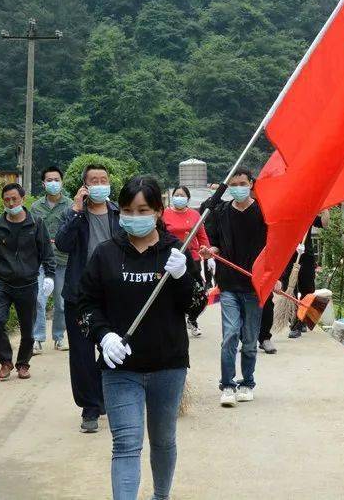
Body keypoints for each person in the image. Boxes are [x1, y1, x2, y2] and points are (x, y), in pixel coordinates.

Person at [75, 175, 194, 500]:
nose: (134, 217)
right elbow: (85, 304)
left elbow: (194, 305)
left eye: (143, 210)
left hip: (167, 366)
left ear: (158, 211)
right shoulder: (106, 254)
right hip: (120, 369)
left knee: (163, 440)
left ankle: (161, 496)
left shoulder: (175, 254)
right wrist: (103, 335)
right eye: (128, 210)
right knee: (126, 444)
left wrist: (184, 277)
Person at [55, 163, 119, 433]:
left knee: (112, 348)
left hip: (114, 293)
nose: (99, 183)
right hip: (80, 294)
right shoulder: (75, 215)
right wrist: (76, 211)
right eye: (93, 180)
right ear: (84, 186)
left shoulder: (119, 213)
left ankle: (109, 399)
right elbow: (62, 244)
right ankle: (90, 408)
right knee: (81, 353)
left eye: (103, 179)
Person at [201, 168, 268, 407]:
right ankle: (227, 385)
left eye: (242, 183)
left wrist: (275, 275)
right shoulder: (221, 212)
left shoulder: (263, 212)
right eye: (234, 184)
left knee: (250, 339)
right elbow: (216, 243)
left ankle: (247, 383)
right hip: (228, 283)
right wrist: (211, 251)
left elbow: (272, 248)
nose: (238, 187)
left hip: (254, 286)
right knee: (230, 335)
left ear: (251, 184)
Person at [0, 183, 55, 380]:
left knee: (28, 329)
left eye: (14, 199)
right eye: (6, 199)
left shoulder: (36, 224)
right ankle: (5, 361)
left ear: (22, 199)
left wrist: (49, 276)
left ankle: (23, 364)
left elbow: (47, 252)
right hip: (2, 282)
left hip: (28, 283)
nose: (11, 203)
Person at [29, 166, 73, 353]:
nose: (53, 183)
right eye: (49, 180)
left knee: (61, 302)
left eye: (56, 179)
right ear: (43, 183)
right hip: (40, 260)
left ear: (61, 182)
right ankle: (37, 338)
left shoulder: (71, 205)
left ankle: (59, 337)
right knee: (38, 299)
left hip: (63, 260)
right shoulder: (35, 207)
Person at [162, 186, 210, 337]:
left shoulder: (195, 214)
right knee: (171, 291)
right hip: (170, 258)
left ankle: (193, 318)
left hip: (192, 258)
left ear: (188, 199)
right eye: (176, 195)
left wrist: (208, 252)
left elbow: (202, 235)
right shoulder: (164, 214)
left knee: (198, 291)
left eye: (182, 195)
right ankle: (173, 321)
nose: (179, 197)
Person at [285, 211, 329, 338]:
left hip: (307, 256)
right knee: (290, 289)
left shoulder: (308, 212)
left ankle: (302, 318)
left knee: (308, 290)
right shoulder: (285, 211)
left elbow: (324, 223)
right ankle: (295, 325)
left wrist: (325, 208)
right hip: (288, 256)